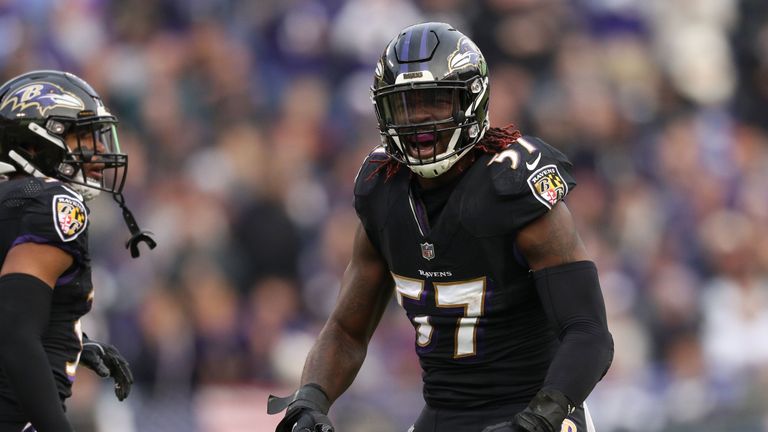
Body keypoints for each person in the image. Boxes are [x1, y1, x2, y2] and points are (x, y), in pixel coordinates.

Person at [268, 22, 614, 432]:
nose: (419, 122)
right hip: (442, 415)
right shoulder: (383, 191)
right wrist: (312, 396)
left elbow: (588, 333)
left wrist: (537, 420)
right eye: (405, 105)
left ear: (472, 99)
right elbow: (346, 329)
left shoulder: (513, 187)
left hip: (536, 409)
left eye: (434, 102)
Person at [0, 70, 155, 432]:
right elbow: (14, 333)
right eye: (84, 135)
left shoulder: (14, 203)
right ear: (34, 142)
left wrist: (73, 342)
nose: (100, 150)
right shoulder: (53, 202)